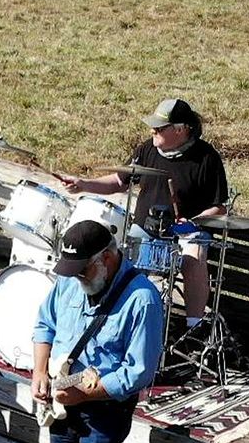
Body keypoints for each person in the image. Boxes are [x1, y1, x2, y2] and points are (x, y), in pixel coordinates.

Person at [32, 221, 164, 443]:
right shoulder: (68, 280)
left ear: (106, 258)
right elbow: (45, 324)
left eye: (83, 270)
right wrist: (40, 371)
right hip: (63, 405)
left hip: (103, 412)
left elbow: (137, 372)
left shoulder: (143, 300)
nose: (77, 278)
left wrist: (86, 396)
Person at [61, 98, 228, 328]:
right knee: (117, 259)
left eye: (159, 128)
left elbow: (220, 207)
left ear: (180, 130)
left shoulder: (207, 158)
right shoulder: (148, 148)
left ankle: (194, 326)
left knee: (194, 258)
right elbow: (118, 181)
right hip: (146, 228)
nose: (152, 131)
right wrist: (84, 184)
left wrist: (194, 221)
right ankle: (113, 319)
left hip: (186, 233)